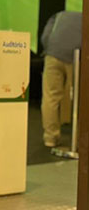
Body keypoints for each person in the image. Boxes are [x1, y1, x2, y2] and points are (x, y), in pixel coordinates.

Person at [40, 10, 82, 147]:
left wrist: (51, 49)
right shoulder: (85, 18)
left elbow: (45, 36)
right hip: (75, 58)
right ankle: (78, 137)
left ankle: (50, 137)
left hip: (52, 55)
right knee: (78, 98)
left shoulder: (59, 15)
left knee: (50, 97)